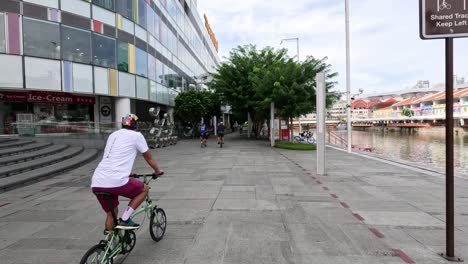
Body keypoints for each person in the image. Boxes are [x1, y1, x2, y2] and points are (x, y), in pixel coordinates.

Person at [91, 114, 163, 231]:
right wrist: (158, 171)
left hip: (97, 181)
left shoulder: (113, 135)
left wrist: (128, 172)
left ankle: (109, 245)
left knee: (112, 214)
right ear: (136, 125)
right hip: (116, 181)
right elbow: (148, 157)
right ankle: (125, 219)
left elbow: (112, 157)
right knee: (144, 189)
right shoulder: (136, 135)